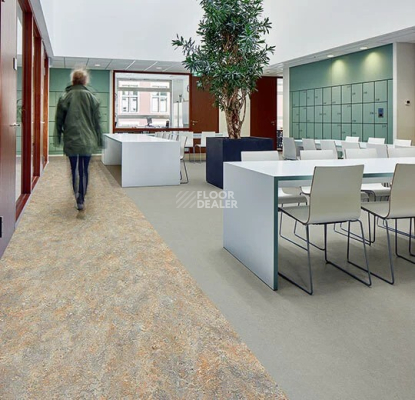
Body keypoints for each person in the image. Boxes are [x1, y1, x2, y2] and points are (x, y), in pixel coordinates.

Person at [55, 69, 102, 211]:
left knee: (73, 169)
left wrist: (57, 137)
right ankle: (81, 198)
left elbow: (59, 120)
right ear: (85, 81)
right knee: (84, 170)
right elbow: (97, 122)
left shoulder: (65, 97)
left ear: (73, 80)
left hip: (71, 140)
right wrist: (100, 139)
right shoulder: (92, 98)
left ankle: (77, 196)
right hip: (88, 140)